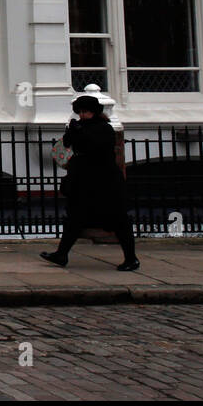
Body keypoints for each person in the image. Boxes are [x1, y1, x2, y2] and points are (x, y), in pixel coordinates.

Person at [41, 94, 138, 272]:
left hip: (104, 183)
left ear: (94, 112)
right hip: (84, 181)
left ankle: (131, 258)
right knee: (75, 219)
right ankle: (61, 254)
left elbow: (95, 148)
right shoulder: (80, 126)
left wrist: (80, 133)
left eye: (86, 112)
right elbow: (69, 144)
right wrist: (73, 131)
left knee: (118, 220)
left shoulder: (104, 128)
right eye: (80, 112)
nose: (83, 115)